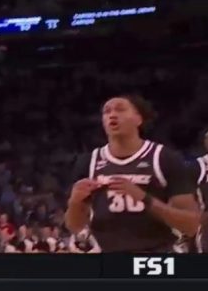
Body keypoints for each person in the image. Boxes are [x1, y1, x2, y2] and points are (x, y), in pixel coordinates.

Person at [64, 95, 200, 252]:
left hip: (155, 254)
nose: (112, 115)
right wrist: (75, 201)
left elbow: (191, 225)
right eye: (106, 111)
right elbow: (75, 226)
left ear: (138, 119)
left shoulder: (164, 158)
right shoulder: (89, 161)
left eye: (120, 109)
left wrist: (144, 198)